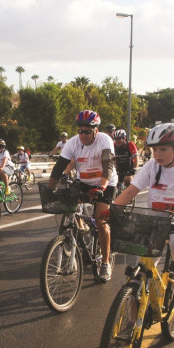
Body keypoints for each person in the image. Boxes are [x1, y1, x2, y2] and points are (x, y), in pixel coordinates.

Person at [114, 123, 174, 306]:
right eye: (154, 149)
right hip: (155, 222)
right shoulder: (151, 166)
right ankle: (133, 320)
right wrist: (113, 210)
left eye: (163, 149)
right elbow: (131, 191)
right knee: (138, 270)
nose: (157, 154)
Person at [47, 110, 117, 280]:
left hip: (105, 183)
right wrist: (50, 188)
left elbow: (108, 166)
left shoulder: (105, 140)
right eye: (80, 131)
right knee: (68, 207)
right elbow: (59, 167)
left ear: (96, 131)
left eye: (87, 131)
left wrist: (102, 186)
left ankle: (105, 263)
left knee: (101, 222)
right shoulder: (72, 143)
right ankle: (81, 229)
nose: (83, 135)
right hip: (84, 182)